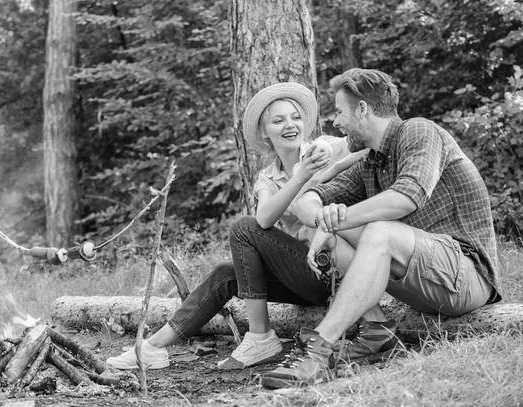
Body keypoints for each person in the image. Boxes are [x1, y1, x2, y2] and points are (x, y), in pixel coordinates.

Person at [254, 68, 501, 389]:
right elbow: (306, 205)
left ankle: (318, 350)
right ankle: (377, 332)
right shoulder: (371, 164)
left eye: (340, 112)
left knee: (377, 231)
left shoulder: (419, 132)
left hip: (467, 277)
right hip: (423, 281)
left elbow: (406, 197)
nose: (335, 122)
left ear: (362, 109)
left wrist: (335, 221)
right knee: (314, 231)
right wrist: (323, 220)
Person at [106, 82, 367, 371]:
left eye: (295, 117)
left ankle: (260, 337)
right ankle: (153, 347)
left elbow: (368, 146)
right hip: (303, 274)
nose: (290, 125)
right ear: (265, 133)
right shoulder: (266, 178)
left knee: (243, 227)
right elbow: (265, 218)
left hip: (339, 271)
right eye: (278, 121)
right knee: (225, 273)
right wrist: (300, 174)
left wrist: (337, 161)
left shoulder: (328, 148)